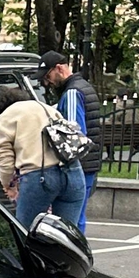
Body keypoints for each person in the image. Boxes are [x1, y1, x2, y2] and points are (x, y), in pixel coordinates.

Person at [0, 83, 88, 231]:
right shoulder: (45, 107)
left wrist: (9, 186)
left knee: (26, 233)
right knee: (66, 236)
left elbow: (5, 164)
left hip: (39, 177)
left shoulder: (0, 122)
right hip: (73, 172)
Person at [41, 51, 100, 229]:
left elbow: (74, 135)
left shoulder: (73, 92)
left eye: (48, 76)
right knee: (77, 218)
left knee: (71, 222)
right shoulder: (83, 86)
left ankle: (74, 255)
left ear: (59, 68)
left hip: (79, 166)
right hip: (89, 163)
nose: (47, 82)